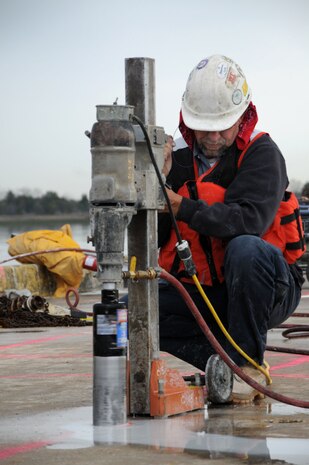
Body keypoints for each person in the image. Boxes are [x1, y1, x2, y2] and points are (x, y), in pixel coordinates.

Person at [158, 54, 305, 404]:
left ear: (242, 117)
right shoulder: (174, 160)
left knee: (245, 248)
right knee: (136, 308)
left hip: (268, 285)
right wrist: (157, 180)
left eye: (221, 125)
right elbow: (152, 240)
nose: (210, 135)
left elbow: (248, 221)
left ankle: (246, 365)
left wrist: (180, 204)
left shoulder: (262, 154)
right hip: (208, 289)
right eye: (201, 125)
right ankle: (221, 363)